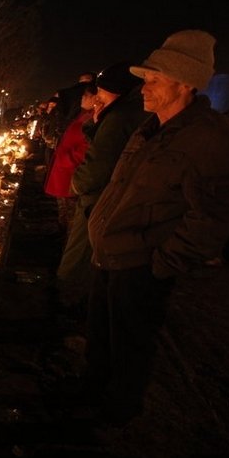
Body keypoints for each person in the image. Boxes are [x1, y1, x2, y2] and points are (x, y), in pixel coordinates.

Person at [85, 30, 229, 424]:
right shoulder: (151, 128)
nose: (144, 87)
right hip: (109, 256)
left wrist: (160, 263)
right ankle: (89, 393)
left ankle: (114, 416)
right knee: (101, 340)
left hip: (140, 265)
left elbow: (212, 217)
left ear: (184, 82)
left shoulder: (211, 139)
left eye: (154, 79)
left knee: (129, 344)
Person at [56, 63, 148, 308]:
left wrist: (77, 183)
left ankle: (68, 304)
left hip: (98, 201)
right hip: (107, 200)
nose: (97, 97)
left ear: (115, 91)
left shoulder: (118, 119)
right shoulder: (124, 113)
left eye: (101, 91)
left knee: (80, 256)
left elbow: (98, 164)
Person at [43, 82, 94, 234]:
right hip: (65, 171)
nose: (82, 98)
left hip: (71, 174)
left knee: (71, 217)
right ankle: (61, 240)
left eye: (86, 96)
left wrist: (65, 158)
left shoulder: (91, 119)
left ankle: (65, 245)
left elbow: (87, 147)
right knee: (64, 213)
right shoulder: (83, 115)